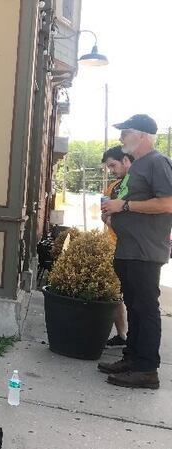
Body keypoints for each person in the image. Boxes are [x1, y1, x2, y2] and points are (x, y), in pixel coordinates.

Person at [99, 114, 172, 389]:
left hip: (145, 251)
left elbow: (167, 203)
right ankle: (132, 358)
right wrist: (113, 213)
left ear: (142, 135)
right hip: (128, 250)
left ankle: (147, 369)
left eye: (125, 132)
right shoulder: (138, 165)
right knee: (134, 307)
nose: (121, 137)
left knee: (146, 308)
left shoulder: (157, 162)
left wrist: (125, 206)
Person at [100, 145, 133, 347]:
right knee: (116, 294)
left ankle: (131, 341)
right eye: (109, 167)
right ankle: (122, 335)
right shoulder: (113, 187)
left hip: (131, 249)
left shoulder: (137, 185)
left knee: (131, 297)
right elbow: (104, 213)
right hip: (113, 245)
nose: (111, 170)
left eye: (113, 165)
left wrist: (112, 221)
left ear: (126, 160)